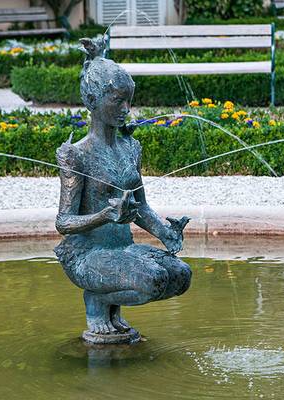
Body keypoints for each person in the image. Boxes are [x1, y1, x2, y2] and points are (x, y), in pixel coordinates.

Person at [54, 36, 192, 337]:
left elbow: (140, 207)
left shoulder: (130, 147)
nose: (126, 109)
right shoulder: (76, 155)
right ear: (92, 101)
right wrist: (106, 214)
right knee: (153, 279)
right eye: (117, 100)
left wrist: (165, 232)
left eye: (129, 100)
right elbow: (63, 223)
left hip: (121, 249)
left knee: (181, 275)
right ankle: (97, 300)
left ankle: (110, 306)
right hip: (88, 254)